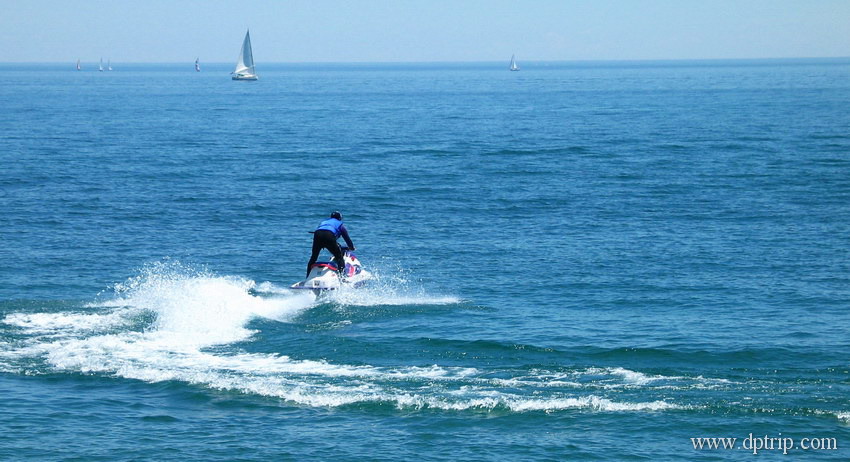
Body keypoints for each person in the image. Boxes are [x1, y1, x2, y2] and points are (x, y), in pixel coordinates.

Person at [306, 211, 355, 278]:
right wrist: (351, 247)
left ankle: (307, 277)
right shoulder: (340, 224)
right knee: (339, 257)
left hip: (317, 234)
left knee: (313, 257)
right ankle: (342, 279)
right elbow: (347, 238)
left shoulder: (324, 222)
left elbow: (322, 231)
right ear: (339, 218)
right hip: (329, 235)